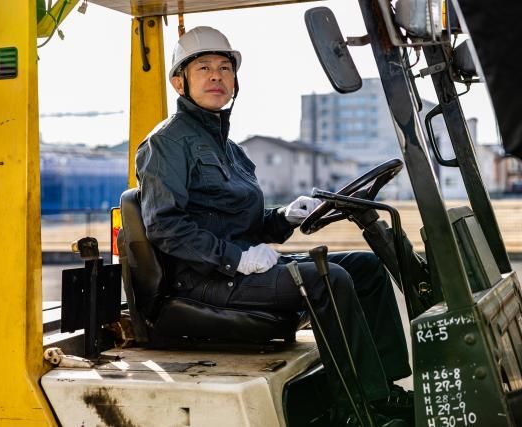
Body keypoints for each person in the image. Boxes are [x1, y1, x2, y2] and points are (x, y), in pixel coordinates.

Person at [135, 26, 412, 426]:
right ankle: (359, 409)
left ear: (235, 80)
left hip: (241, 270)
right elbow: (164, 226)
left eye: (225, 68)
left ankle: (384, 389)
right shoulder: (166, 143)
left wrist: (285, 217)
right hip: (202, 279)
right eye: (203, 68)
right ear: (180, 82)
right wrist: (236, 258)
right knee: (328, 279)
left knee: (365, 267)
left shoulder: (232, 151)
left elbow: (246, 223)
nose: (216, 76)